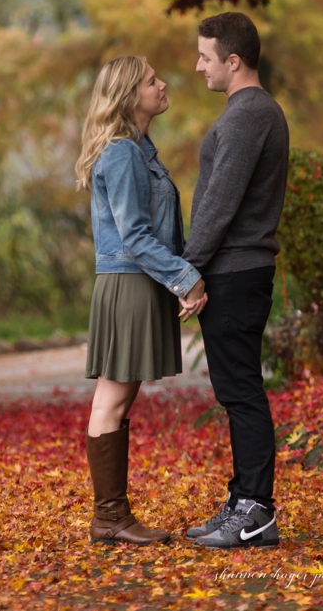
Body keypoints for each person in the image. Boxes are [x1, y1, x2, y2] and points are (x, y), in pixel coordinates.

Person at [77, 55, 207, 545]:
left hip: (136, 280)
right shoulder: (123, 153)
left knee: (119, 397)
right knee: (112, 397)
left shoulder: (138, 149)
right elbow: (134, 234)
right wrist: (186, 278)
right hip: (129, 280)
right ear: (131, 96)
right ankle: (109, 517)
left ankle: (112, 515)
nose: (163, 84)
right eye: (153, 80)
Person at [180, 12, 291, 549]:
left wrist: (188, 268)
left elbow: (219, 202)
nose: (197, 66)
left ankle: (257, 513)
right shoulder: (248, 112)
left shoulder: (249, 115)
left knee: (242, 392)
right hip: (234, 270)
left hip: (237, 271)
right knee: (235, 391)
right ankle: (243, 500)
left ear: (232, 60)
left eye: (205, 56)